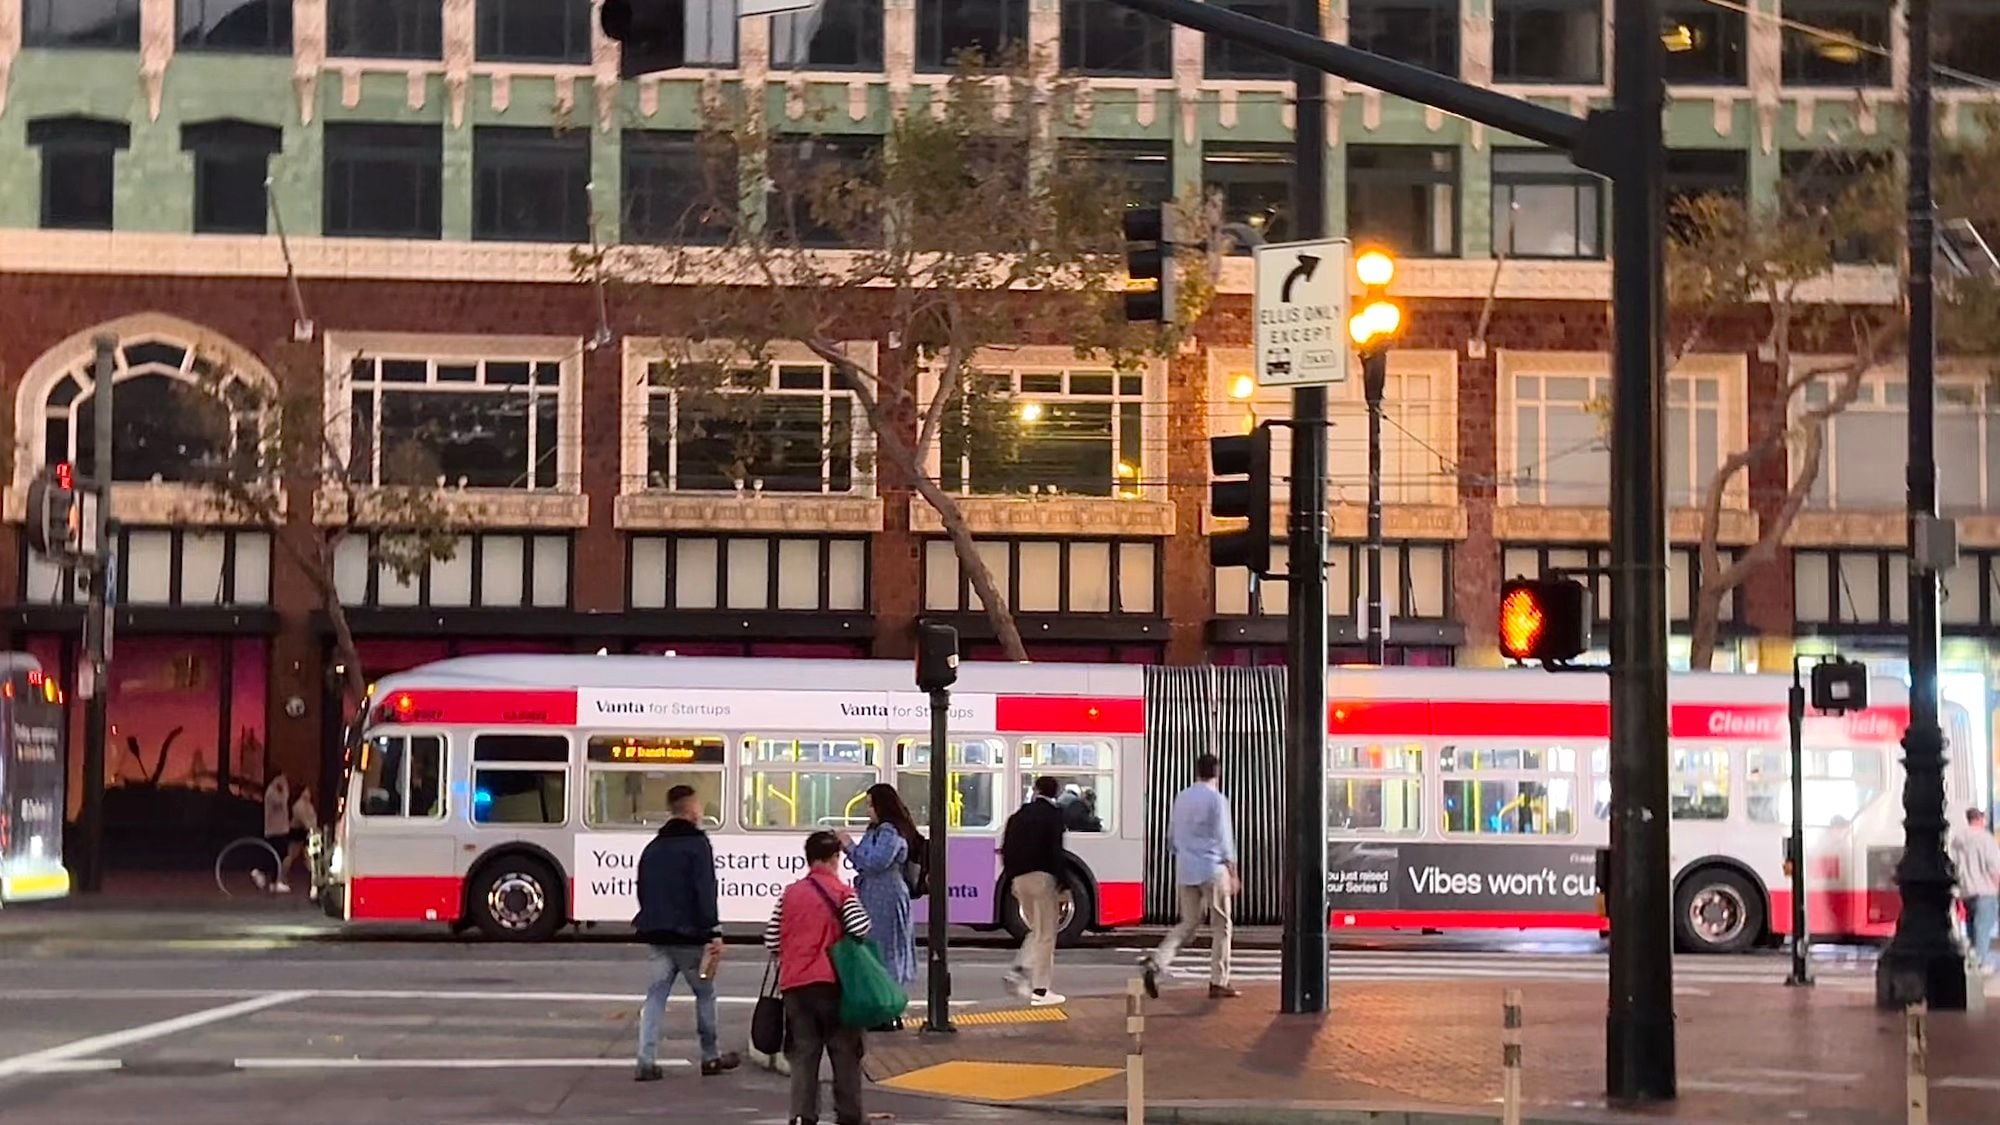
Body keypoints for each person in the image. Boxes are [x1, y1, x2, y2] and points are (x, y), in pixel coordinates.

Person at [632, 785, 740, 1081]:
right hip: (690, 936)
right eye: (699, 806)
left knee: (655, 996)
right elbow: (705, 890)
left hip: (656, 933)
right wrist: (713, 930)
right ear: (691, 809)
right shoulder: (697, 845)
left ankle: (646, 1059)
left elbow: (642, 888)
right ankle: (710, 1056)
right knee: (705, 993)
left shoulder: (653, 847)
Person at [764, 830, 872, 1125]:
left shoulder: (789, 894)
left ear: (809, 858)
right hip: (835, 985)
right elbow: (861, 928)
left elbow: (772, 939)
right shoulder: (842, 893)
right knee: (845, 1053)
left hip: (796, 986)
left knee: (803, 1055)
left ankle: (802, 1115)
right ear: (835, 858)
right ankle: (849, 1115)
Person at [1141, 752, 1240, 1000]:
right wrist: (1233, 871)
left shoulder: (1181, 798)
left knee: (1188, 922)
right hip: (1212, 869)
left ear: (1196, 771)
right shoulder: (1217, 800)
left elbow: (1172, 838)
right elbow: (1224, 838)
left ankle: (1158, 962)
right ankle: (1219, 981)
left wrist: (1186, 852)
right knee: (1222, 926)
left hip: (1186, 869)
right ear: (1217, 772)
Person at [839, 783, 923, 1029]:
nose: (868, 810)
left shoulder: (889, 832)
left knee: (885, 952)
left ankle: (888, 1009)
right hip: (875, 896)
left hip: (886, 897)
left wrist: (848, 846)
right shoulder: (878, 830)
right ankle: (884, 1007)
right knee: (880, 951)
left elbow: (874, 862)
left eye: (870, 804)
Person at [1000, 775, 1067, 1007]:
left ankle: (1019, 969)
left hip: (1018, 880)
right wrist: (1064, 885)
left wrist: (1011, 879)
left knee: (1036, 930)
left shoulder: (1018, 816)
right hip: (1042, 879)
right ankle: (1040, 991)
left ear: (1035, 790)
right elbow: (1056, 852)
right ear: (1055, 792)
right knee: (1047, 934)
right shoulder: (1054, 816)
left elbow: (1006, 850)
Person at [1950, 807, 2000, 973]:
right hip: (1985, 889)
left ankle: (1972, 960)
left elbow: (1954, 865)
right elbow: (1994, 866)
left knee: (1972, 926)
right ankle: (1981, 962)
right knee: (1983, 927)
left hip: (1967, 890)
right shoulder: (1986, 839)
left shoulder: (1958, 840)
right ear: (1980, 819)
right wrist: (1997, 886)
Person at [253, 775, 293, 893]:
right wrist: (285, 791)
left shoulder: (276, 791)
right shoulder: (272, 792)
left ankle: (273, 881)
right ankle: (262, 872)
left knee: (278, 856)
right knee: (276, 855)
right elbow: (281, 802)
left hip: (280, 829)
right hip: (274, 830)